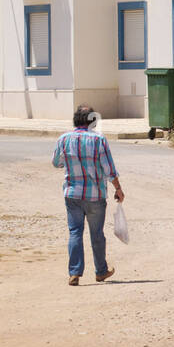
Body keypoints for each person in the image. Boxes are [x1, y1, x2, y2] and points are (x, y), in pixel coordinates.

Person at [52, 105, 124, 286]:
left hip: (72, 194)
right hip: (95, 195)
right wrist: (118, 188)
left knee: (75, 232)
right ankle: (100, 271)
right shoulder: (99, 139)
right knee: (97, 234)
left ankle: (74, 273)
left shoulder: (64, 139)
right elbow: (108, 169)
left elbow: (56, 163)